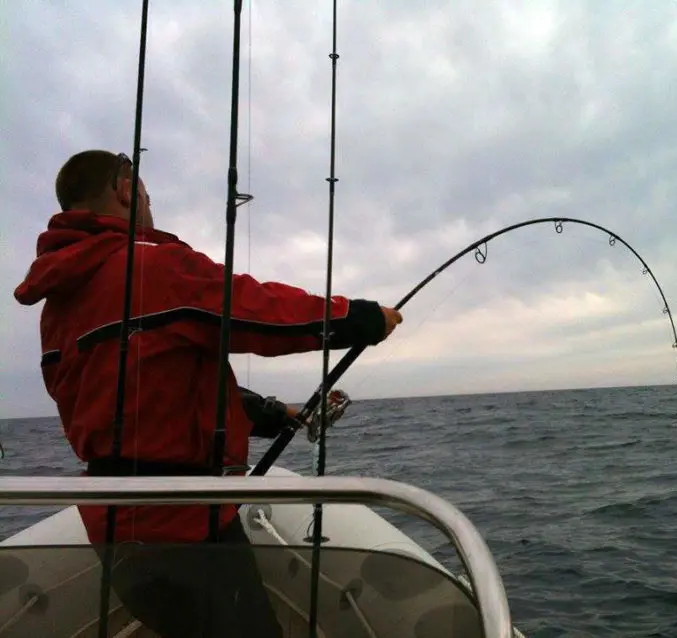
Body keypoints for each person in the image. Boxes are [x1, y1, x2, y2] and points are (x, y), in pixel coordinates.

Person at [13, 149, 403, 637]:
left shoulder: (57, 307)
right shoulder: (152, 267)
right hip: (184, 526)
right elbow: (257, 310)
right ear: (125, 189)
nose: (149, 207)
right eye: (146, 195)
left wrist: (274, 414)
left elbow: (147, 398)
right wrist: (360, 318)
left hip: (114, 530)